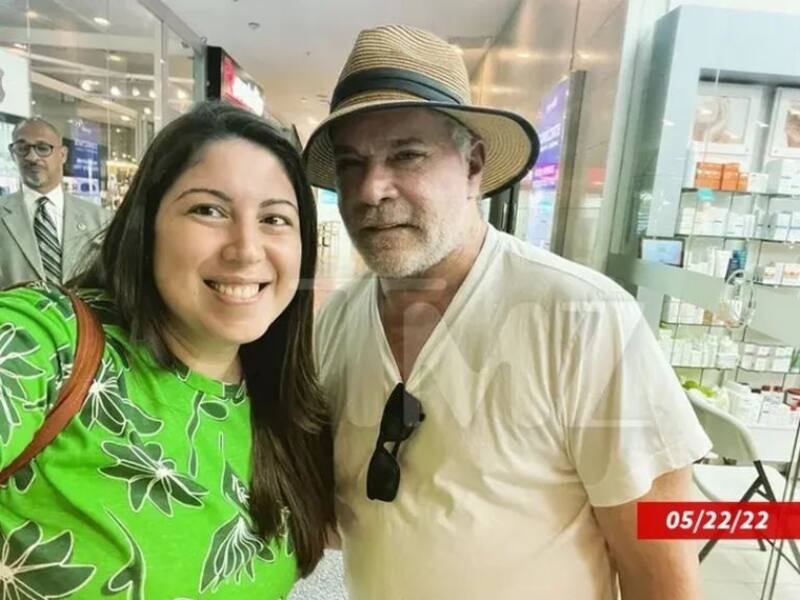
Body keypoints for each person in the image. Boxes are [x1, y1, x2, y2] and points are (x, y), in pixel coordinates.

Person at [305, 25, 712, 599]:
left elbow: (661, 573)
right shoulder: (337, 322)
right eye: (351, 164)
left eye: (407, 155)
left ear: (473, 164)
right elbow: (352, 520)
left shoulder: (582, 319)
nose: (372, 189)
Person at [0, 102, 334, 597]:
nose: (246, 249)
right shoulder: (47, 339)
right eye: (208, 210)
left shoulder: (288, 406)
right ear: (147, 222)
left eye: (274, 218)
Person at [1, 117, 110, 288]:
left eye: (43, 148)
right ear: (13, 154)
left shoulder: (101, 219)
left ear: (63, 154)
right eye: (22, 149)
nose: (32, 157)